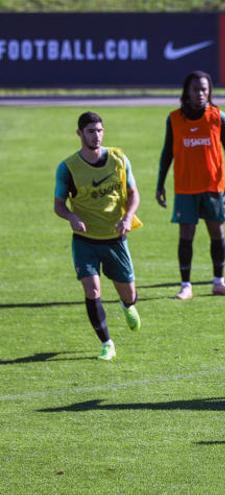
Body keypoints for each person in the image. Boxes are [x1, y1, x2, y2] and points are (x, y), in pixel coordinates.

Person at [53, 112, 143, 361]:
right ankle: (107, 343)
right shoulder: (68, 168)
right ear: (79, 134)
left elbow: (134, 194)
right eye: (91, 131)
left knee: (129, 294)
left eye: (100, 130)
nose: (97, 135)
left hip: (115, 238)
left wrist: (127, 217)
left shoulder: (119, 159)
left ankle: (127, 305)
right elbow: (59, 205)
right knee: (92, 290)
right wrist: (71, 217)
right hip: (85, 241)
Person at [157, 70, 225, 300]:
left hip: (212, 186)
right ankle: (186, 285)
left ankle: (219, 282)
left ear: (210, 91)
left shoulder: (218, 118)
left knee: (217, 232)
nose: (200, 93)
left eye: (204, 89)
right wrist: (160, 183)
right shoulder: (174, 119)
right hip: (185, 187)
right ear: (187, 92)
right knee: (186, 235)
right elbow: (167, 154)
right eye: (196, 89)